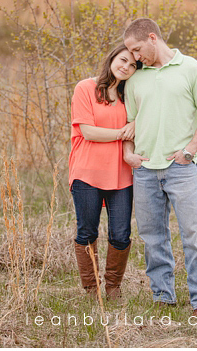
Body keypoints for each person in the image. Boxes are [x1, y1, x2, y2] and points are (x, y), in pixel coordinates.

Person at [122, 17, 197, 317]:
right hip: (144, 170)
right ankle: (163, 296)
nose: (134, 57)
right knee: (153, 238)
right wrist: (129, 154)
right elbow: (129, 124)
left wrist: (189, 151)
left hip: (181, 168)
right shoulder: (135, 80)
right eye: (131, 52)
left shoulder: (193, 69)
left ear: (153, 38)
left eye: (137, 49)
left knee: (194, 236)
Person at [69, 43, 139, 299]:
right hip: (87, 172)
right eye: (123, 60)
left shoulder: (129, 96)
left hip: (121, 174)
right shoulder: (85, 88)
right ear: (112, 58)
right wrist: (122, 132)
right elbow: (88, 131)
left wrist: (134, 130)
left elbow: (138, 126)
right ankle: (91, 289)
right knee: (87, 231)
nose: (126, 67)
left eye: (133, 65)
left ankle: (113, 287)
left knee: (121, 233)